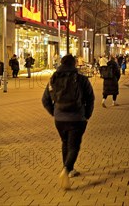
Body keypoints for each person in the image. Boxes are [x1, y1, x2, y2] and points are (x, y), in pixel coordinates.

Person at [41, 55, 95, 190]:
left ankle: (68, 169)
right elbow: (90, 98)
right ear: (74, 64)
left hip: (60, 119)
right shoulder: (82, 79)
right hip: (77, 118)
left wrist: (54, 112)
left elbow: (45, 100)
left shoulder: (53, 79)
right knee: (74, 146)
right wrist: (87, 114)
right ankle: (67, 169)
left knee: (65, 143)